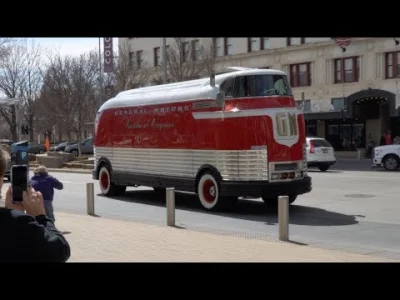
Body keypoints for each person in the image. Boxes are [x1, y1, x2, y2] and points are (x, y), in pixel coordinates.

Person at [0, 146, 70, 262]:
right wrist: (40, 217)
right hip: (42, 204)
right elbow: (60, 251)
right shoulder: (16, 223)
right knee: (50, 216)